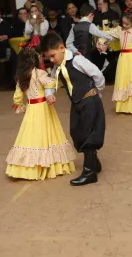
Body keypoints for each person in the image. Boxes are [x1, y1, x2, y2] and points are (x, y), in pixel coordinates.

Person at [41, 33, 106, 186]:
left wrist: (96, 92)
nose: (51, 60)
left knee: (90, 133)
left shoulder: (77, 60)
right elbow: (51, 82)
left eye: (52, 56)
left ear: (62, 48)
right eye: (48, 58)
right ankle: (94, 163)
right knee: (77, 132)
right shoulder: (57, 68)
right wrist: (49, 94)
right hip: (77, 104)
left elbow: (96, 74)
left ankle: (89, 172)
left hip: (89, 100)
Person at [6, 43, 76, 180]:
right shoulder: (39, 73)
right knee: (47, 134)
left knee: (31, 135)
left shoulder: (22, 77)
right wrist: (49, 94)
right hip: (43, 108)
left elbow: (17, 96)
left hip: (32, 109)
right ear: (35, 59)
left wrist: (19, 105)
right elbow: (50, 83)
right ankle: (50, 165)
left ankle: (29, 168)